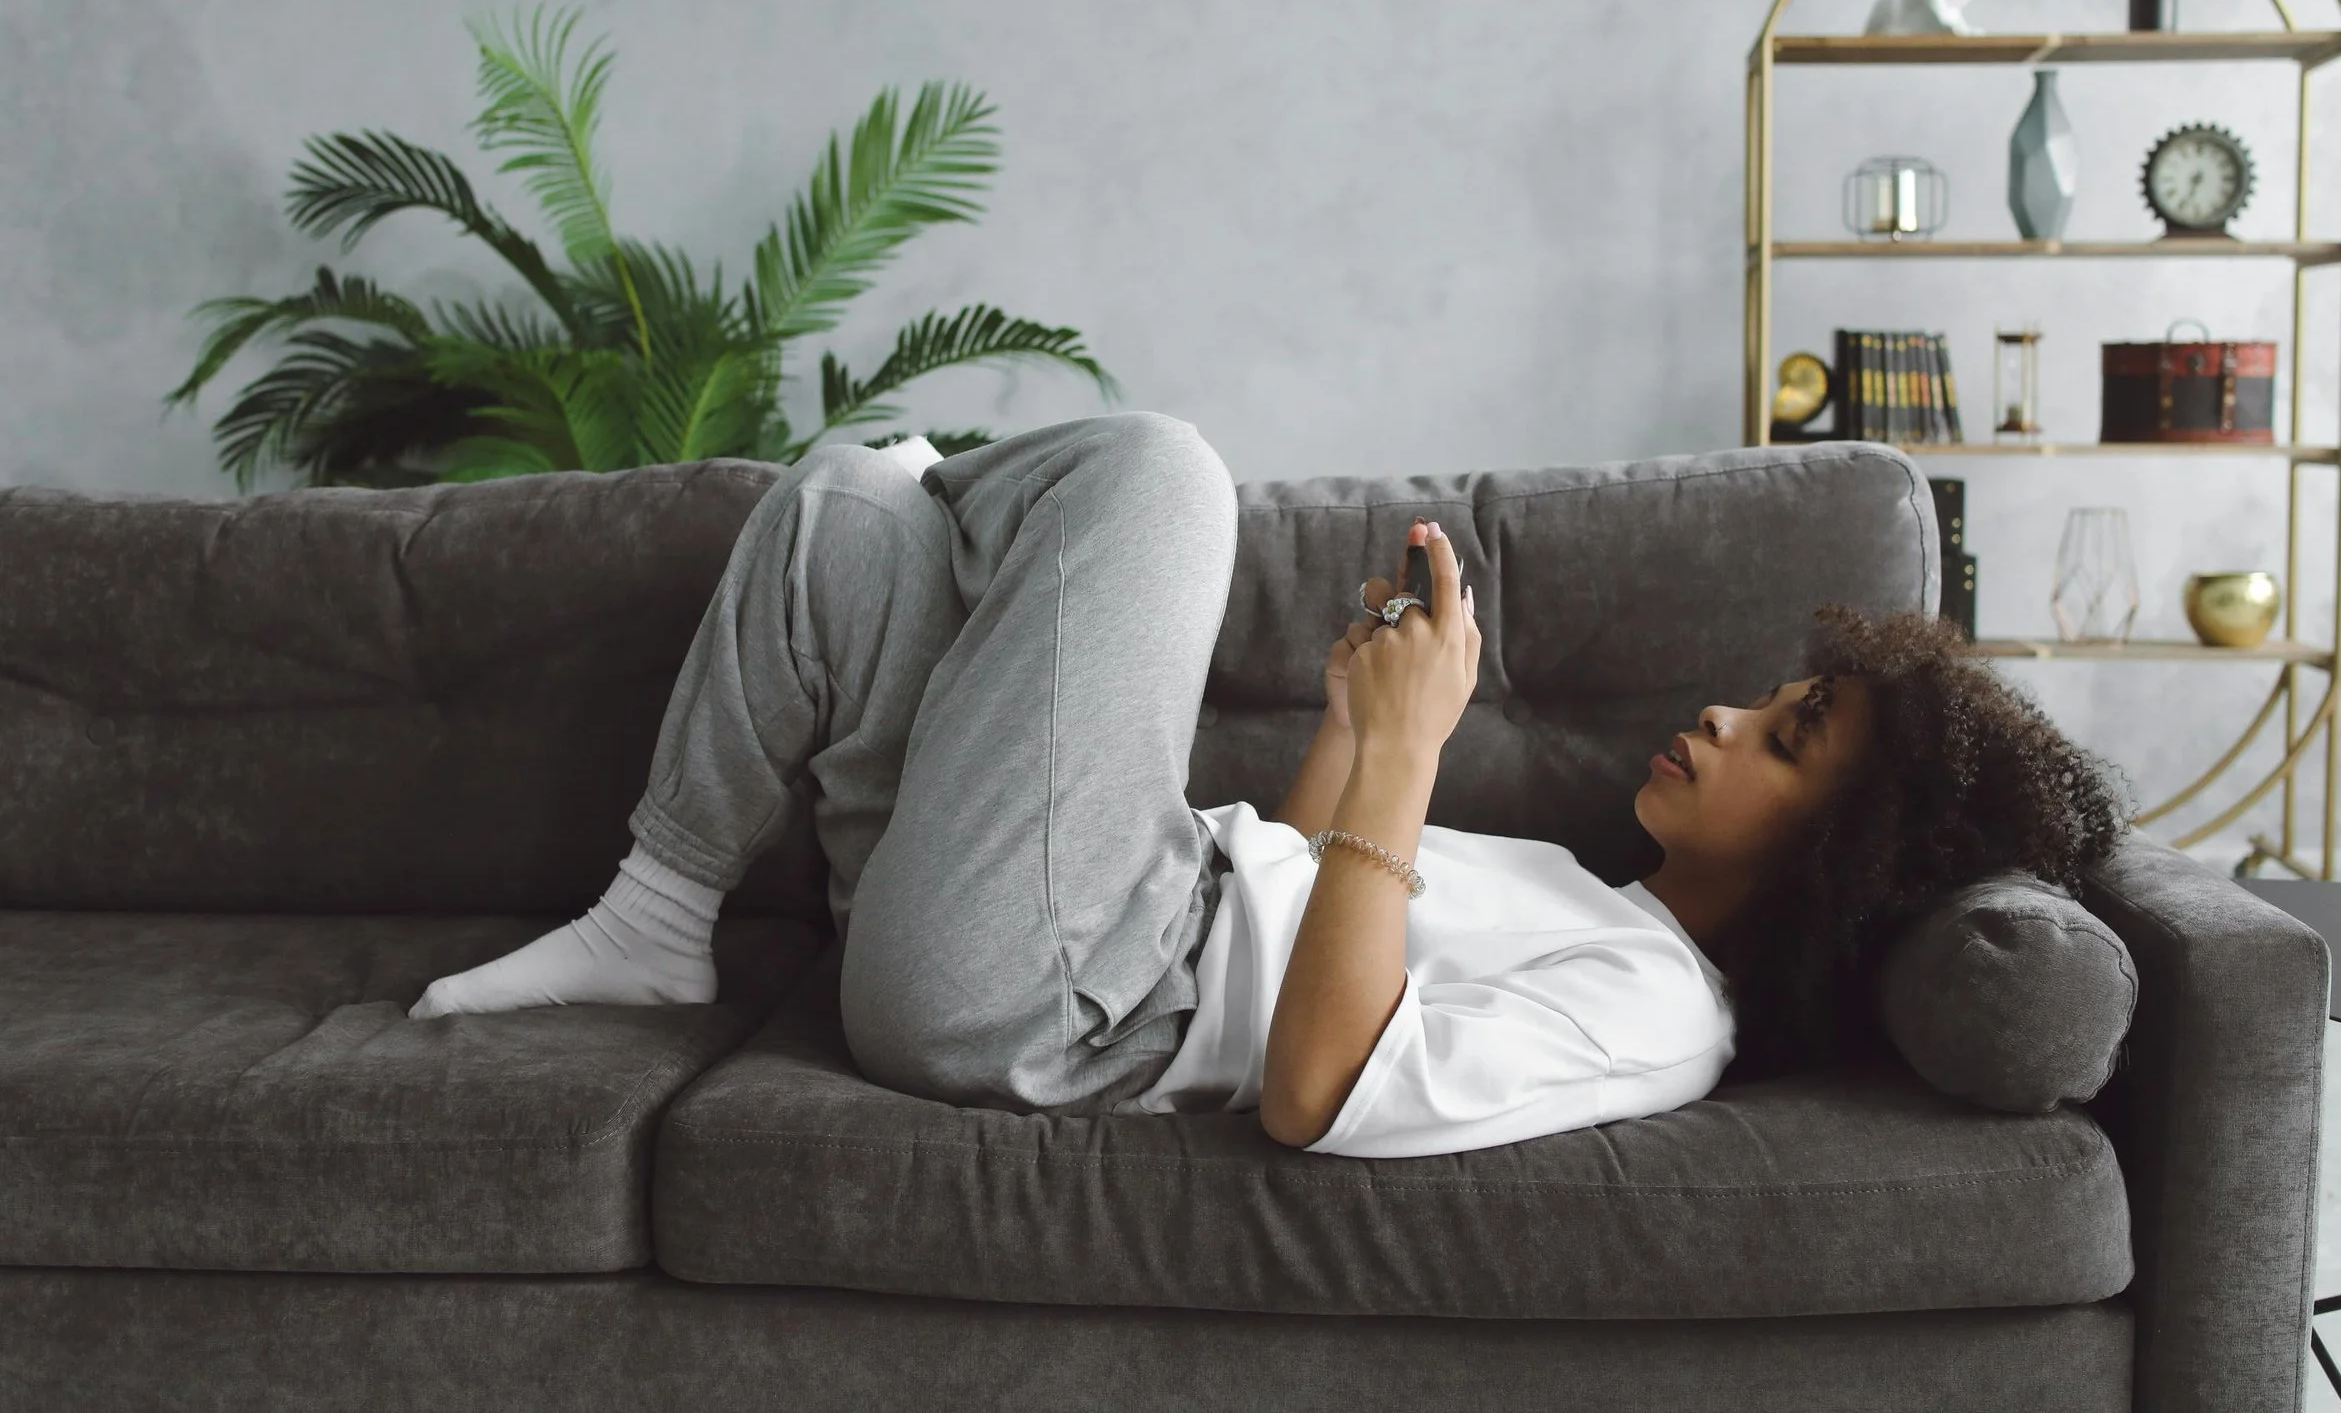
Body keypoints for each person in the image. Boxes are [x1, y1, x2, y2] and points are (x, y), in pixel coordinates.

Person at [411, 412, 2127, 1158]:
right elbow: (1308, 891)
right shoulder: (1593, 899)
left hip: (1066, 997)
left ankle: (972, 489)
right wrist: (1347, 722)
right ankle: (657, 912)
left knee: (1166, 476)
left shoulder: (1659, 1015)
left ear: (1839, 859)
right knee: (849, 508)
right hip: (1071, 912)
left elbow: (1316, 1085)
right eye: (1772, 696)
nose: (1732, 713)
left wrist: (1406, 753)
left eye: (1790, 735)